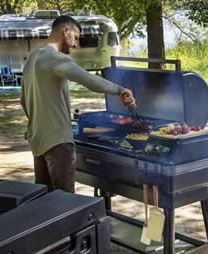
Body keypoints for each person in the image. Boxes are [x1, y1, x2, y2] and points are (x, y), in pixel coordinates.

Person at [20, 15, 135, 193]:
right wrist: (120, 90)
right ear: (65, 30)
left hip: (38, 141)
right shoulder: (56, 58)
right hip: (58, 142)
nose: (75, 44)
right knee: (66, 201)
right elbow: (88, 79)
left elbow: (23, 101)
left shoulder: (32, 58)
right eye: (75, 37)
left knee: (43, 201)